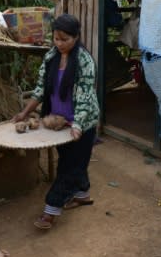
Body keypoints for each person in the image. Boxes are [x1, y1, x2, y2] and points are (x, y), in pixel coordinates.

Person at [13, 14, 100, 229]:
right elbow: (41, 89)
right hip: (56, 121)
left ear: (76, 37)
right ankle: (83, 194)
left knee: (69, 167)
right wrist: (24, 113)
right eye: (56, 38)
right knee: (74, 162)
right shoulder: (51, 56)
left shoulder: (84, 61)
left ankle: (50, 210)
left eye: (65, 39)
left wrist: (78, 125)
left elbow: (84, 97)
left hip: (82, 123)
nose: (59, 44)